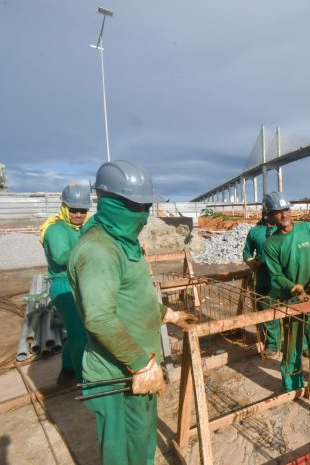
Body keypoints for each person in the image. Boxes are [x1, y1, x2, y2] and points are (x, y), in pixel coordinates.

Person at [68, 160, 195, 465]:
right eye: (136, 207)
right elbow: (99, 318)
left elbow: (133, 295)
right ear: (111, 202)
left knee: (141, 438)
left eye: (146, 206)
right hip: (117, 372)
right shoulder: (99, 250)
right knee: (119, 448)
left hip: (140, 364)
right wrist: (140, 364)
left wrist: (166, 314)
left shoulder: (123, 241)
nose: (143, 214)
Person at [262, 191, 310, 391]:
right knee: (293, 343)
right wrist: (293, 288)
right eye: (277, 212)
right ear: (269, 216)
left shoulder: (307, 229)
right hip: (293, 300)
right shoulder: (271, 244)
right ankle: (293, 384)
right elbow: (276, 276)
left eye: (286, 209)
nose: (284, 215)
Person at [39, 182, 91, 385]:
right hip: (63, 286)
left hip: (76, 284)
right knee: (80, 333)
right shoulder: (56, 230)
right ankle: (84, 379)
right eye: (74, 210)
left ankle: (68, 369)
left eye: (82, 210)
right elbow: (61, 258)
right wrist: (89, 247)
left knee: (76, 329)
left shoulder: (79, 228)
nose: (78, 214)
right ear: (64, 207)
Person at [242, 208, 280, 354]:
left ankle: (299, 344)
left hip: (286, 279)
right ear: (266, 214)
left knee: (293, 313)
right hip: (264, 279)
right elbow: (246, 251)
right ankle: (273, 343)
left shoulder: (283, 229)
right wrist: (251, 261)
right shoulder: (255, 232)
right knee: (268, 313)